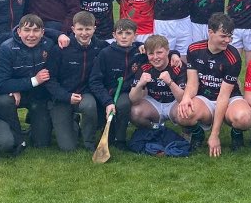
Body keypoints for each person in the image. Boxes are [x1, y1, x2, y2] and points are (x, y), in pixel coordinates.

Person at [176, 12, 249, 156]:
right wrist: (186, 98)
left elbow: (223, 96)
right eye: (223, 36)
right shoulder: (194, 50)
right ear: (210, 32)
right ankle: (198, 134)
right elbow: (192, 83)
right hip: (205, 98)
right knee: (183, 114)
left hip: (229, 98)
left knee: (244, 118)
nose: (227, 40)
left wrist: (215, 134)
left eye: (230, 36)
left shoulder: (233, 56)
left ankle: (236, 134)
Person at [0, 13, 57, 148]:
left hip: (39, 96)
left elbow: (52, 76)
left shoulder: (49, 45)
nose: (31, 35)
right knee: (4, 101)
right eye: (27, 30)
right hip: (16, 94)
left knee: (42, 144)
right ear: (19, 31)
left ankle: (36, 125)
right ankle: (16, 136)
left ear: (42, 32)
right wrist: (33, 81)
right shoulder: (7, 48)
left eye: (36, 30)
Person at [45, 11, 103, 152]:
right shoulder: (60, 49)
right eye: (80, 29)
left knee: (89, 105)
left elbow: (120, 48)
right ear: (73, 29)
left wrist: (139, 46)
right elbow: (50, 80)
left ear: (94, 29)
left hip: (84, 94)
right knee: (68, 147)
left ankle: (89, 141)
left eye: (88, 29)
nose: (84, 33)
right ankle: (73, 122)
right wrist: (65, 96)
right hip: (61, 97)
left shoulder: (100, 47)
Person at [89, 18, 146, 150]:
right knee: (98, 108)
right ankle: (102, 132)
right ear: (114, 35)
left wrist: (174, 54)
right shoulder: (105, 53)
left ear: (135, 36)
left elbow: (160, 50)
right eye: (120, 33)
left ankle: (120, 139)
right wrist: (107, 101)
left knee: (123, 104)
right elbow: (95, 81)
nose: (124, 37)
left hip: (125, 92)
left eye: (128, 33)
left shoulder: (140, 52)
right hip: (106, 92)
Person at [127, 34, 186, 131]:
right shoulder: (144, 66)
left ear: (168, 51)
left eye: (159, 52)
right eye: (151, 54)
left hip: (174, 103)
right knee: (134, 112)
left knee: (186, 110)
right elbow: (133, 99)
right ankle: (154, 130)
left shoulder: (177, 65)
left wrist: (170, 82)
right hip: (154, 103)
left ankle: (190, 132)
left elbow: (183, 99)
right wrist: (140, 84)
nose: (155, 57)